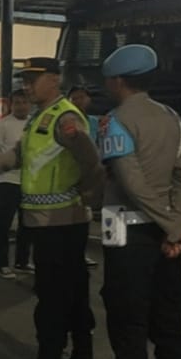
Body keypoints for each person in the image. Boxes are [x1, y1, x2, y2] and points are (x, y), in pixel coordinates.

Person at [71, 44, 181, 359]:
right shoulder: (172, 118)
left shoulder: (117, 121)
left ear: (117, 81)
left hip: (130, 236)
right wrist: (178, 224)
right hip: (164, 239)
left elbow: (131, 184)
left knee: (128, 323)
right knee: (168, 319)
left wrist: (173, 228)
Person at [0, 57, 103, 359]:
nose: (27, 87)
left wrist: (87, 197)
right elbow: (19, 155)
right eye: (25, 81)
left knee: (53, 298)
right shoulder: (39, 118)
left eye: (33, 80)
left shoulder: (65, 118)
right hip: (48, 222)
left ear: (54, 80)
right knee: (71, 293)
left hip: (61, 224)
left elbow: (92, 163)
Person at [0, 87, 32, 279]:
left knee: (27, 224)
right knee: (4, 226)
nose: (21, 106)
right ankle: (2, 264)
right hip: (7, 182)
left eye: (24, 102)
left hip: (29, 182)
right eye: (17, 103)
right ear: (11, 105)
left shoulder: (34, 124)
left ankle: (22, 261)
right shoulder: (3, 125)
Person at [68, 85, 100, 269]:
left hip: (88, 175)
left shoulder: (95, 122)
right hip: (70, 173)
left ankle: (80, 253)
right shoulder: (66, 121)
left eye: (82, 97)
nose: (79, 101)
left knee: (84, 216)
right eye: (75, 98)